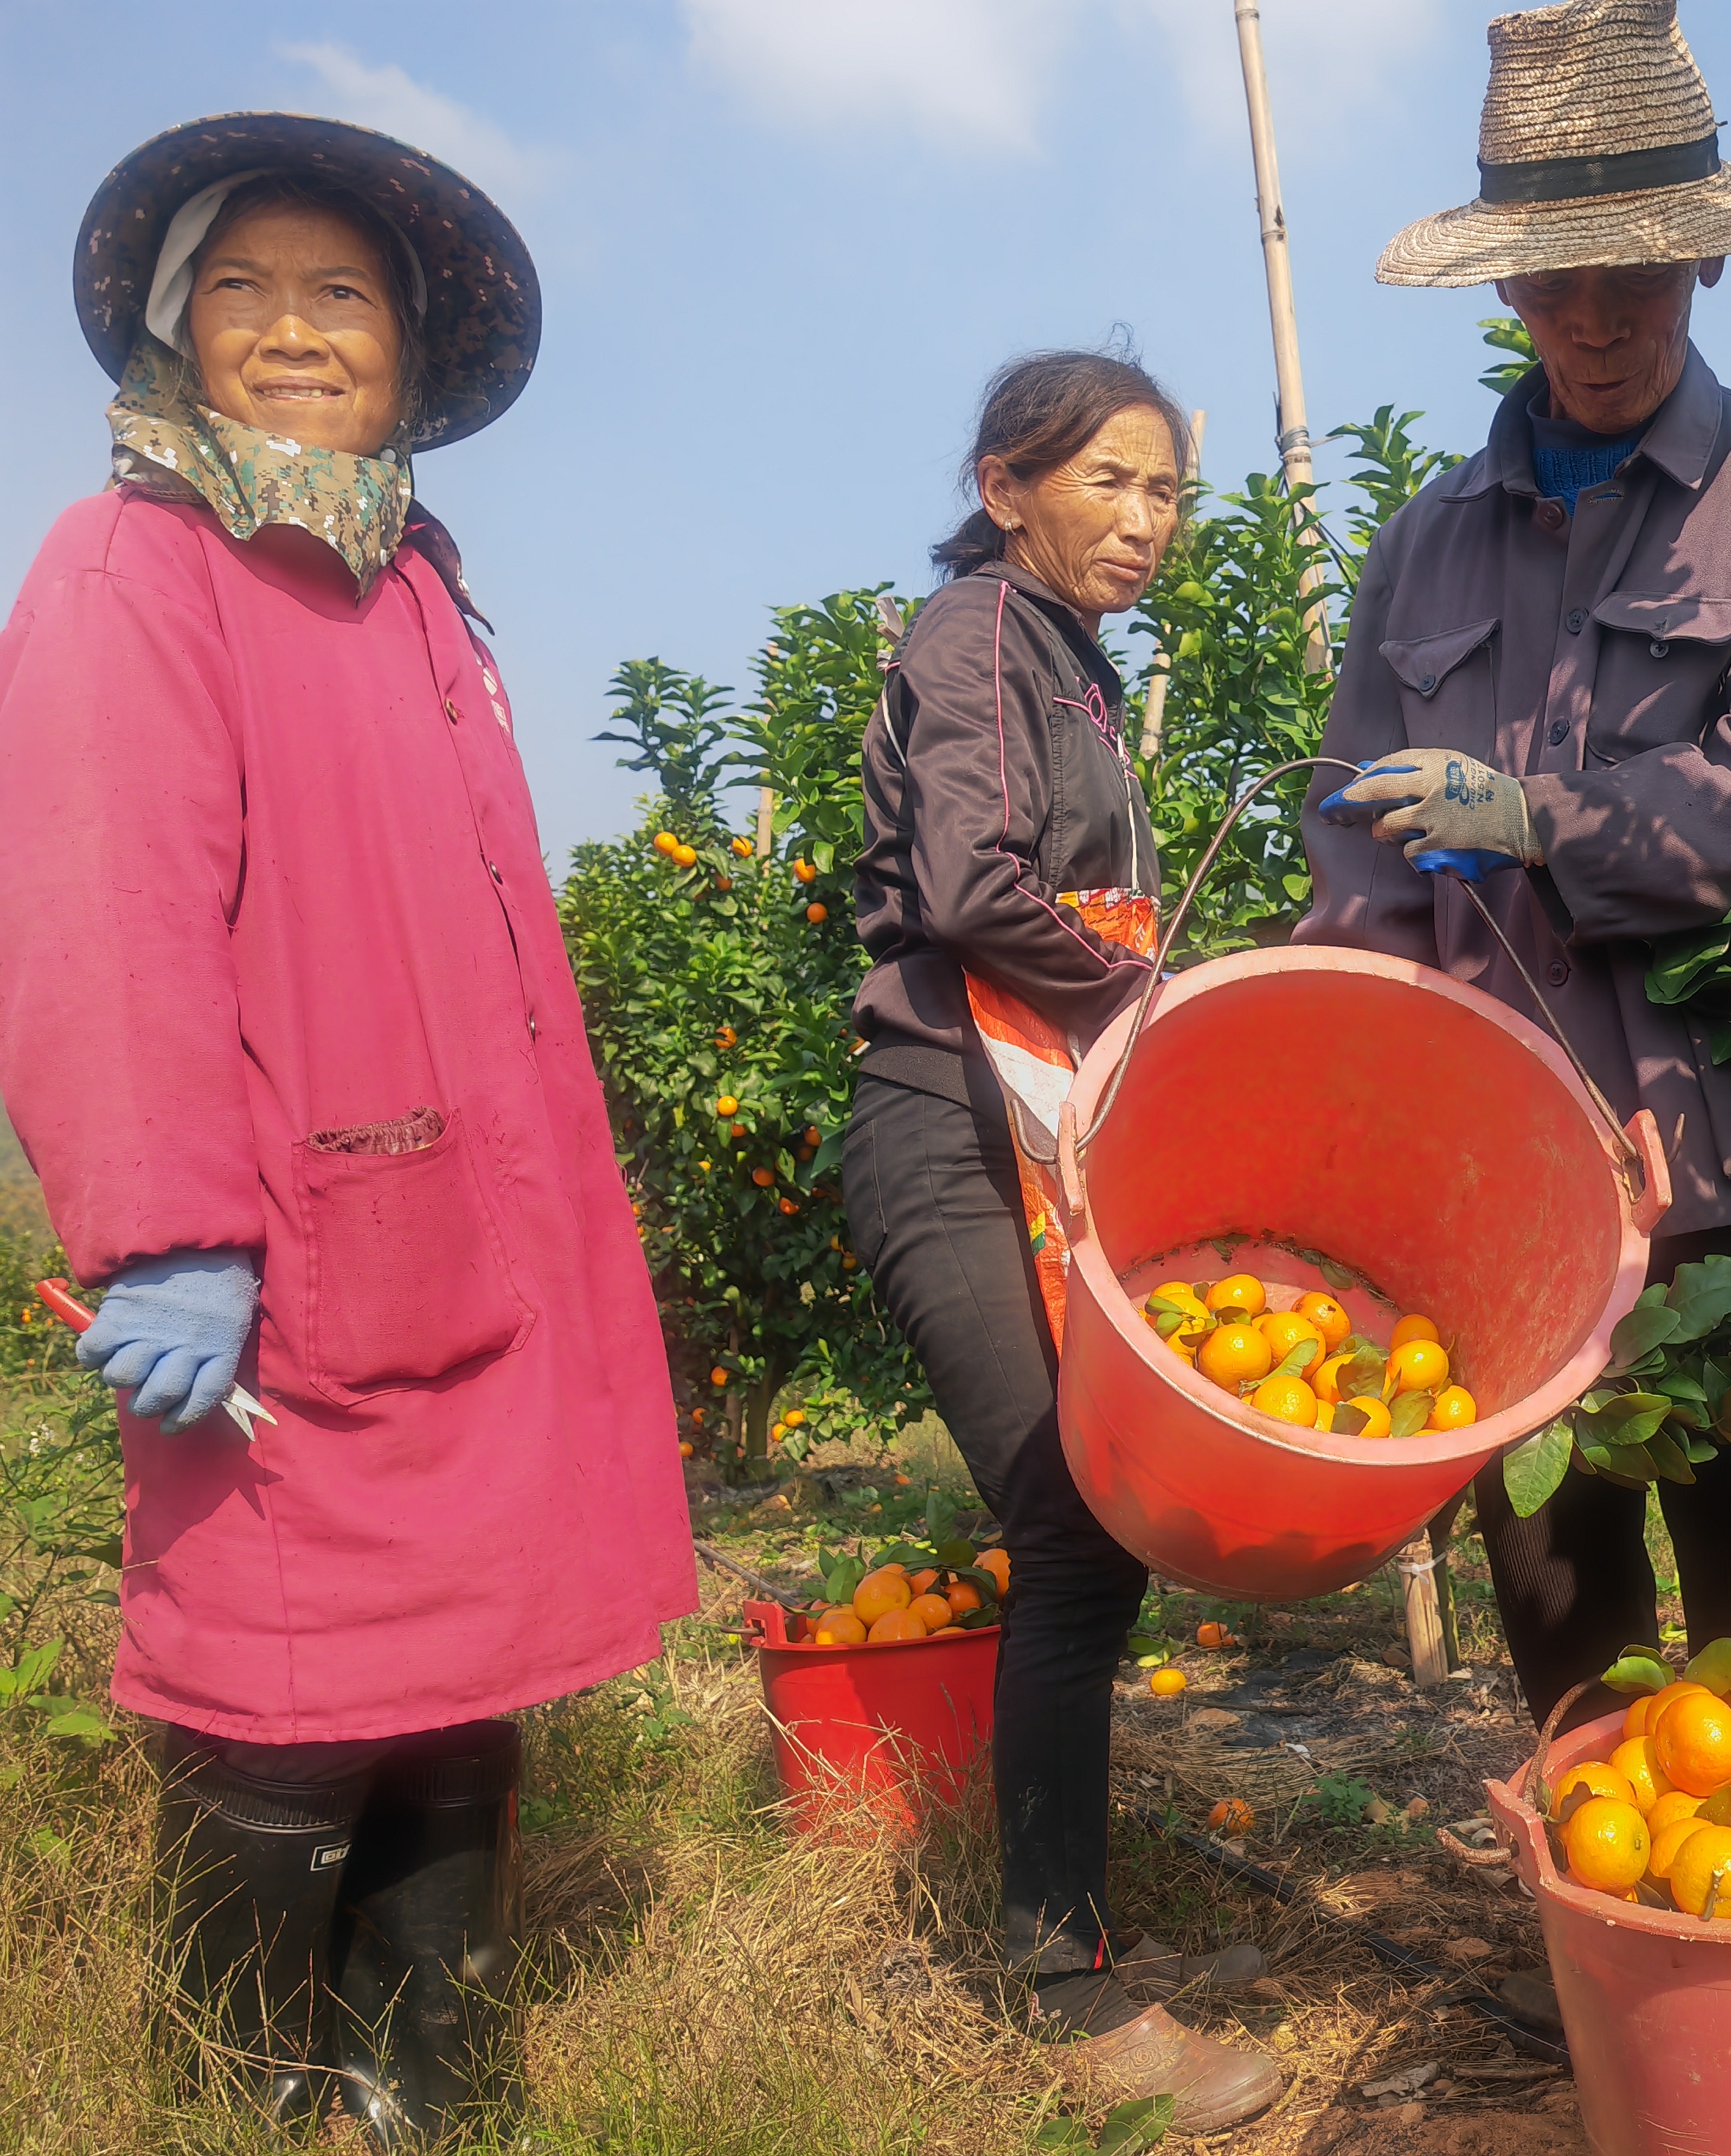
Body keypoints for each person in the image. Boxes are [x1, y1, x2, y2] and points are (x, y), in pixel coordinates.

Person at [0, 118, 695, 2140]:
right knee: (278, 1694)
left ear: (405, 351)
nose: (293, 331)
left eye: (342, 295)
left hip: (463, 1234)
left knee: (457, 1676)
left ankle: (427, 2083)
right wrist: (164, 1228)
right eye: (243, 290)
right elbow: (98, 916)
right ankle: (238, 2093)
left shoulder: (406, 583)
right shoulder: (137, 564)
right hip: (287, 1250)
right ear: (171, 335)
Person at [1303, 0, 1731, 1726]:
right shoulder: (1422, 548)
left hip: (1725, 1169)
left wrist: (1546, 823)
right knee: (1563, 1618)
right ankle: (1614, 1960)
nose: (1592, 323)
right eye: (1554, 288)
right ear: (1501, 290)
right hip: (1505, 1181)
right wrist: (1329, 1077)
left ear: (1703, 267)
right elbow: (1351, 851)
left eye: (1632, 281)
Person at [844, 349, 1283, 2132]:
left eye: (1168, 490)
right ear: (1006, 483)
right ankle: (1067, 1996)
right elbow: (967, 889)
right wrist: (1158, 999)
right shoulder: (976, 634)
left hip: (1028, 1125)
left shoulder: (1073, 667)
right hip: (940, 1128)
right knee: (1072, 1522)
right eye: (1108, 478)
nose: (1145, 518)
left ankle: (1071, 1934)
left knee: (1092, 1533)